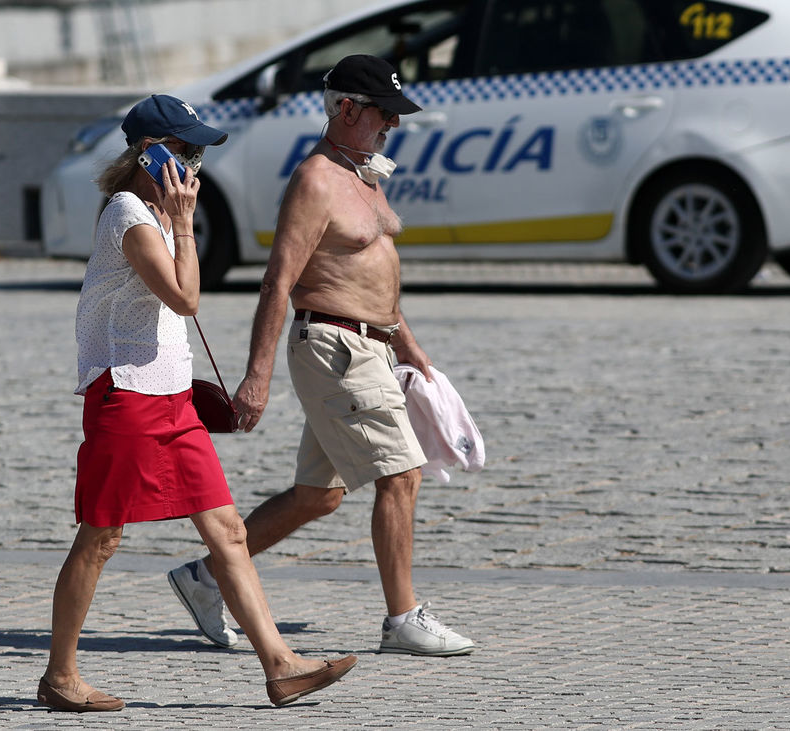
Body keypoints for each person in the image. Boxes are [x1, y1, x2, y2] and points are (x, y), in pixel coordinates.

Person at [39, 94, 356, 713]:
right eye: (185, 151)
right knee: (100, 538)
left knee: (229, 532)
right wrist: (186, 222)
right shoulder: (130, 214)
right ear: (148, 153)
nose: (195, 166)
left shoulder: (154, 210)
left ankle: (281, 665)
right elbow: (186, 298)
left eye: (200, 153)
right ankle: (59, 675)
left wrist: (179, 218)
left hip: (172, 401)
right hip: (125, 397)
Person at [166, 56, 475, 657]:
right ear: (347, 110)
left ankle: (204, 579)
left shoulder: (364, 173)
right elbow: (279, 279)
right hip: (336, 346)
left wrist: (412, 350)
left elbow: (370, 275)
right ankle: (402, 619)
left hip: (372, 345)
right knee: (400, 475)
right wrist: (256, 378)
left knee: (319, 495)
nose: (392, 125)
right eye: (384, 114)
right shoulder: (315, 179)